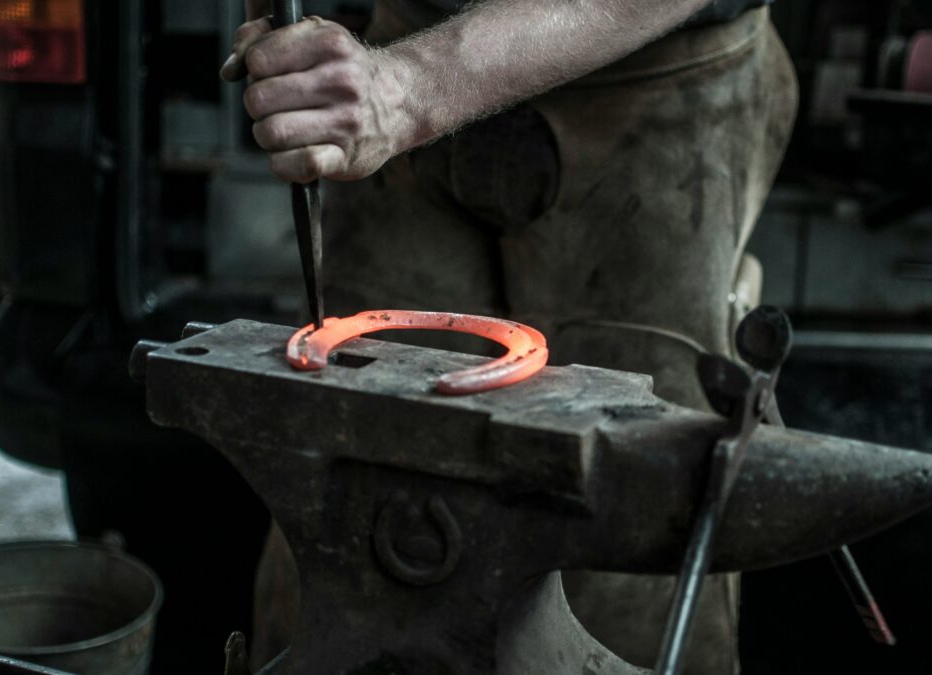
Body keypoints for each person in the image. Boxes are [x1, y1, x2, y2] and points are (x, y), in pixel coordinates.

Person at [221, 0, 797, 672]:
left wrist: (409, 89)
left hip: (654, 74)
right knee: (350, 511)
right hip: (396, 39)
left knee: (633, 535)